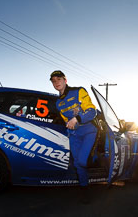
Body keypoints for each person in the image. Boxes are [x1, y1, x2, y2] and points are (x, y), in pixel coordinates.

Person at [50, 70, 97, 201]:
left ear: (65, 80)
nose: (56, 82)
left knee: (83, 161)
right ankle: (84, 190)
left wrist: (76, 119)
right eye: (53, 81)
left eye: (59, 79)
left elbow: (91, 111)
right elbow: (65, 119)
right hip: (74, 134)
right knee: (77, 164)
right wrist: (68, 125)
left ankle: (96, 157)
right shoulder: (58, 103)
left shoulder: (79, 91)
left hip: (88, 131)